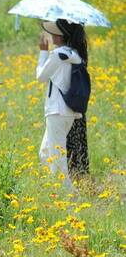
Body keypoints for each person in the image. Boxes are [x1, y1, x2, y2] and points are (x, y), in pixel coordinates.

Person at [36, 19, 88, 192]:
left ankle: (69, 196)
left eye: (54, 32)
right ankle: (54, 189)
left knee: (57, 159)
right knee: (45, 153)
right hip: (65, 112)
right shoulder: (74, 53)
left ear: (61, 35)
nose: (51, 35)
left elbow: (41, 76)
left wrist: (43, 52)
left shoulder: (58, 55)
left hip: (57, 111)